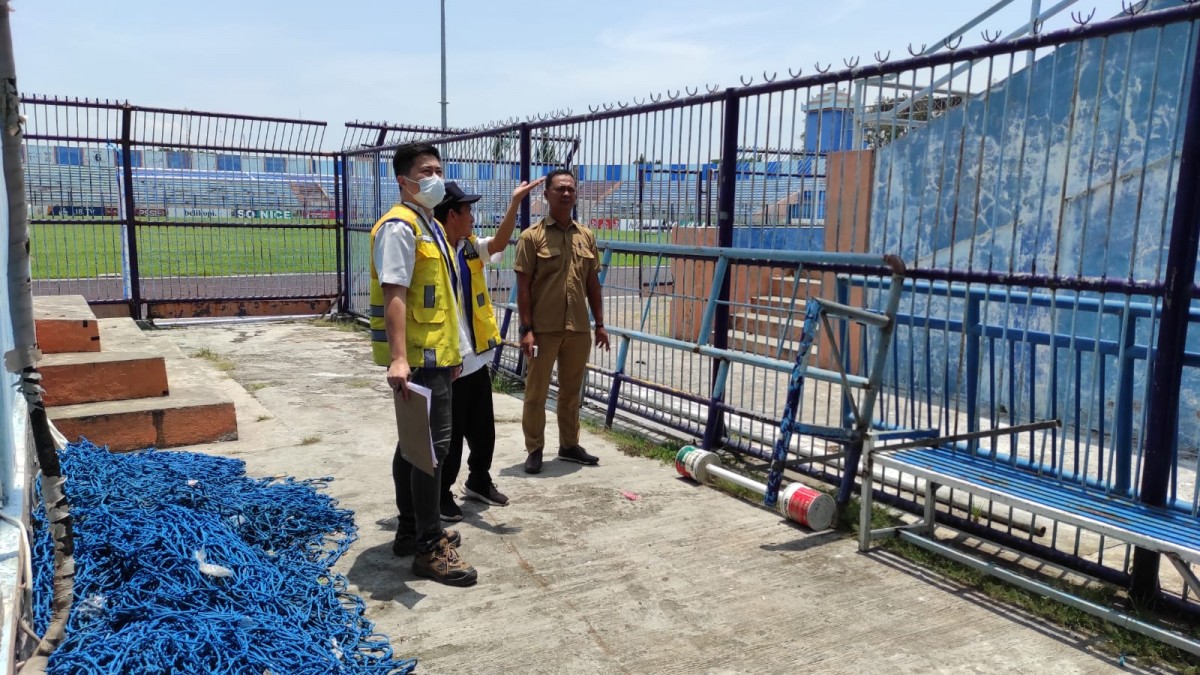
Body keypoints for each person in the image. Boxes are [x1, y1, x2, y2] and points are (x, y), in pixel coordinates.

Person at [369, 142, 477, 586]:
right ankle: (429, 546)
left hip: (437, 357)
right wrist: (398, 359)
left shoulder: (428, 224)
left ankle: (412, 529)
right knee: (431, 452)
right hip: (417, 359)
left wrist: (454, 355)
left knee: (415, 448)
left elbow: (444, 301)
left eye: (438, 169)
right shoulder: (400, 228)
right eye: (426, 171)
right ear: (404, 180)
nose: (435, 177)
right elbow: (395, 293)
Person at [435, 177, 546, 520]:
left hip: (475, 358)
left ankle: (479, 481)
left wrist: (515, 204)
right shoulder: (431, 252)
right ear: (451, 214)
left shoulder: (469, 247)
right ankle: (440, 494)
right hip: (447, 360)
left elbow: (499, 241)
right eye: (467, 210)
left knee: (484, 431)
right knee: (449, 439)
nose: (471, 216)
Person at [513, 169, 610, 474]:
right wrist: (526, 330)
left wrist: (600, 324)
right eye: (560, 189)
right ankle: (535, 449)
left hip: (578, 329)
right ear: (547, 195)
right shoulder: (532, 237)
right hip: (542, 331)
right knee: (536, 393)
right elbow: (523, 287)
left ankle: (569, 445)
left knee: (571, 392)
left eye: (571, 189)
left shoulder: (586, 236)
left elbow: (593, 284)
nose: (566, 194)